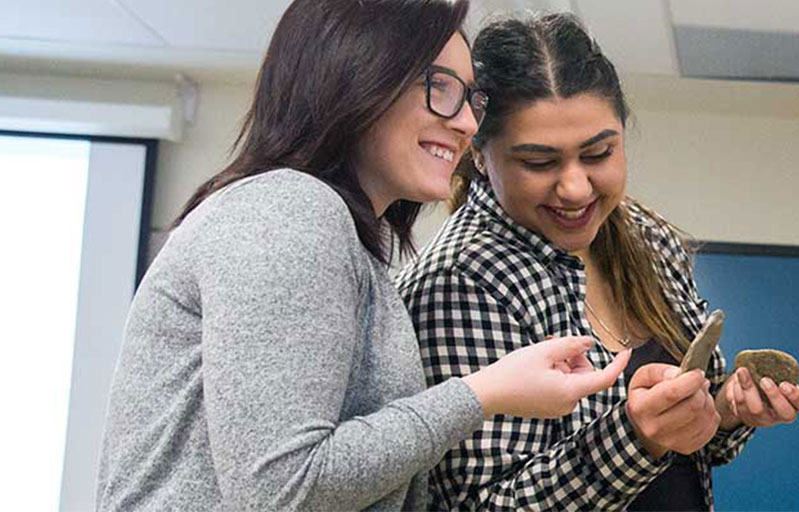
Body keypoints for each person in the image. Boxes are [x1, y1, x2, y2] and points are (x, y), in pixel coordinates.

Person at [95, 1, 628, 509]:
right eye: (440, 88)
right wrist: (484, 393)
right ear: (357, 76)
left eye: (470, 98)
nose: (467, 123)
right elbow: (285, 489)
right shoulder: (289, 208)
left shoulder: (348, 241)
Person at [398, 13, 799, 510]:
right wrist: (638, 437)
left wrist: (725, 410)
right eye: (539, 162)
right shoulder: (458, 282)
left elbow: (693, 449)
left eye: (598, 153)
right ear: (478, 154)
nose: (575, 188)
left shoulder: (645, 235)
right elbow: (482, 506)